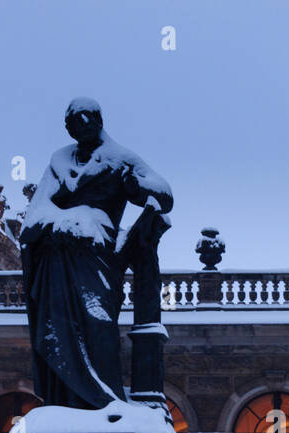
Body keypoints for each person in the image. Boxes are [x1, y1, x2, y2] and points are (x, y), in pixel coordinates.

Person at [19, 97, 173, 408]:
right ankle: (65, 402)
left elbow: (165, 196)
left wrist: (137, 185)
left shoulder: (120, 158)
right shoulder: (59, 160)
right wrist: (62, 220)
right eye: (74, 124)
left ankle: (104, 398)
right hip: (58, 258)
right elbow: (34, 215)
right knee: (57, 327)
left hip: (96, 257)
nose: (81, 128)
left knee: (98, 325)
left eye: (87, 121)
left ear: (99, 122)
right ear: (69, 128)